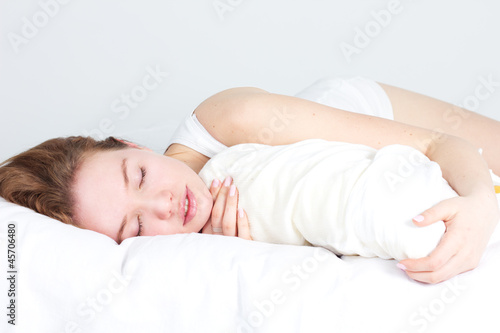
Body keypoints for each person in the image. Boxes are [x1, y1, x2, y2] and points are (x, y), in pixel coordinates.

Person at [0, 77, 499, 284]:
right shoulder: (186, 255)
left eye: (142, 175)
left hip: (363, 112)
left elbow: (438, 145)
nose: (164, 206)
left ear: (132, 146)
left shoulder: (230, 116)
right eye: (134, 226)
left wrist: (479, 199)